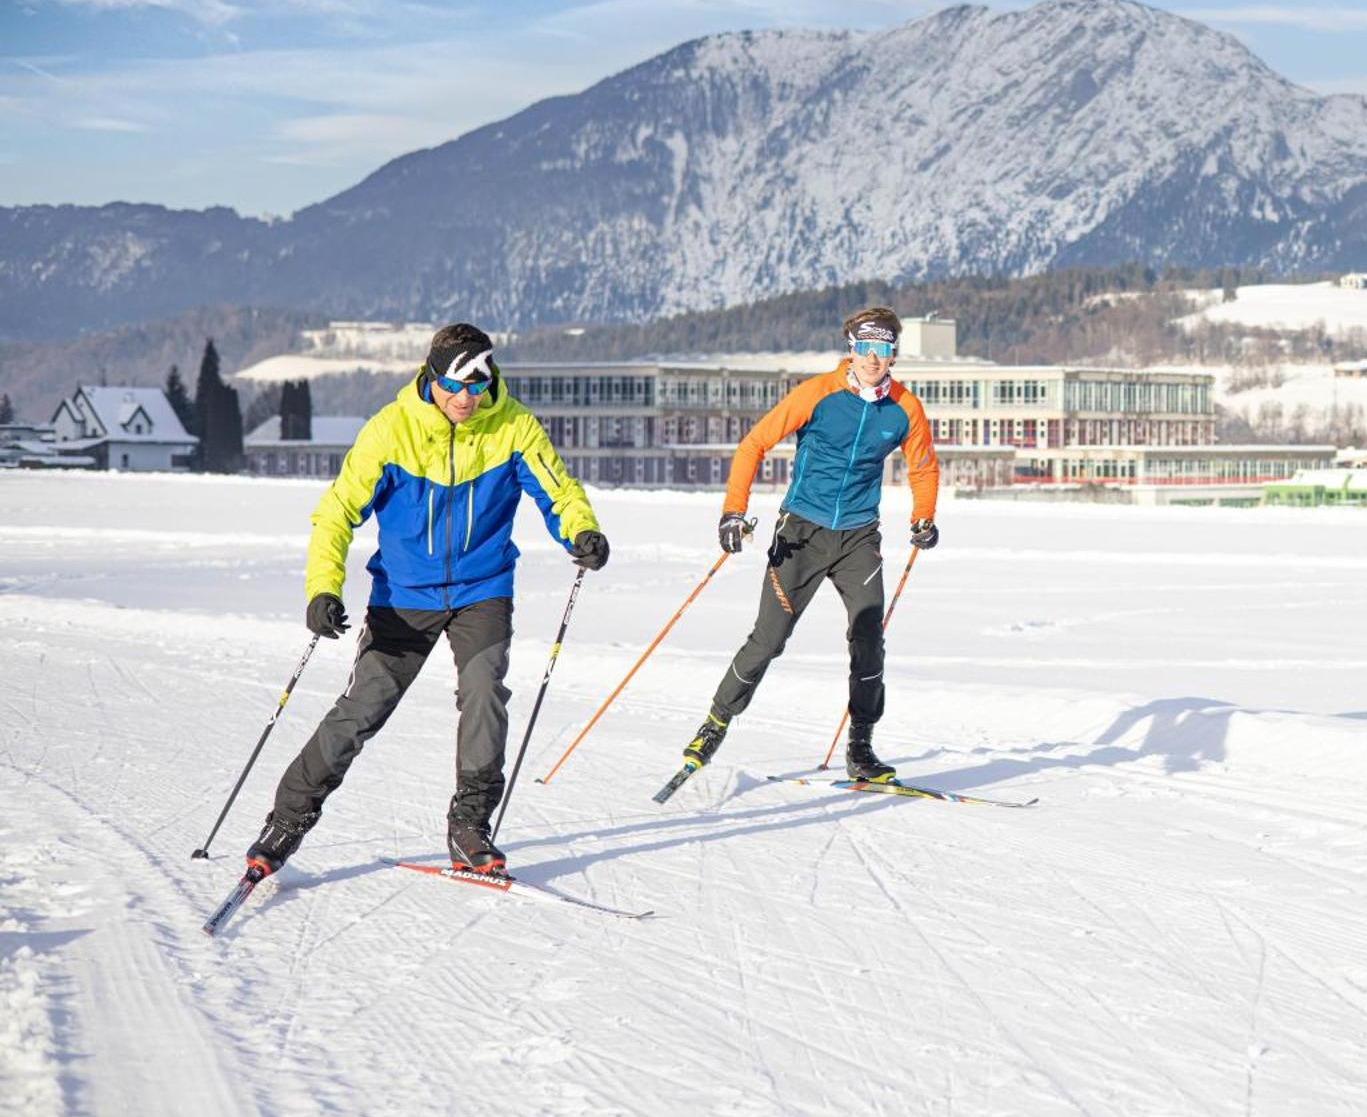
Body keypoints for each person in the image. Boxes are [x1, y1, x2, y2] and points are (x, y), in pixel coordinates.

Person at [244, 323, 609, 877]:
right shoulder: (390, 432)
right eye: (456, 387)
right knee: (363, 709)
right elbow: (337, 513)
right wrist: (323, 588)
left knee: (485, 695)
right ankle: (286, 821)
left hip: (482, 589)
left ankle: (470, 827)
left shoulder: (514, 427)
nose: (466, 399)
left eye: (477, 388)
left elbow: (559, 492)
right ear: (432, 377)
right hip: (402, 596)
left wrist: (581, 532)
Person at [673, 305, 939, 786]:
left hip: (859, 536)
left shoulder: (904, 408)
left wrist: (924, 517)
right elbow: (753, 444)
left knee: (869, 640)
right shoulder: (817, 394)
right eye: (864, 348)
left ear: (894, 355)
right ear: (850, 350)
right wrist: (733, 511)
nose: (872, 358)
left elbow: (922, 466)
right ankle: (713, 725)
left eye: (882, 349)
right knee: (769, 639)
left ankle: (861, 748)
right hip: (802, 534)